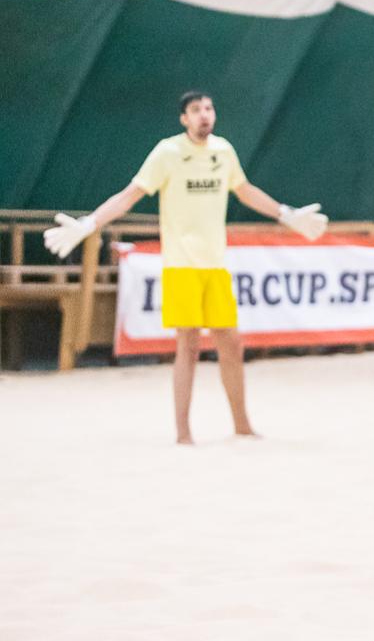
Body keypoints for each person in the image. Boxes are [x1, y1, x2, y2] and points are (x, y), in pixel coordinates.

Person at [43, 91, 328, 444]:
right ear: (184, 118)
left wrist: (286, 214)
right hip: (181, 266)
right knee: (188, 346)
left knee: (231, 343)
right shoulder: (167, 153)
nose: (204, 115)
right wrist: (90, 223)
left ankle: (242, 425)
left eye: (208, 108)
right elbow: (130, 195)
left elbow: (245, 190)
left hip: (215, 265)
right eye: (196, 110)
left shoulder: (223, 151)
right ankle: (183, 433)